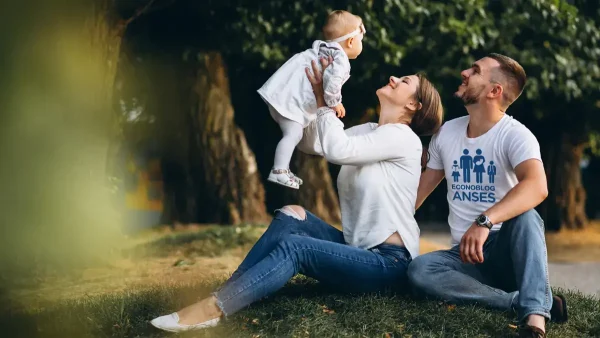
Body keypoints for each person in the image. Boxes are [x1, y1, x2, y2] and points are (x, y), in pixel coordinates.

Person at [149, 57, 444, 333]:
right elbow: (311, 143)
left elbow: (337, 149)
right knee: (292, 214)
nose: (393, 78)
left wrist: (327, 102)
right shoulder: (369, 130)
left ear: (414, 105)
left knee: (296, 247)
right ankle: (230, 292)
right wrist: (310, 99)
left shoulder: (402, 138)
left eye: (404, 81)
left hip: (387, 263)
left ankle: (212, 309)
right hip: (358, 248)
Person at [406, 53, 568, 338]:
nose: (464, 72)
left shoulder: (516, 135)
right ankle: (517, 301)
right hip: (465, 259)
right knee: (420, 270)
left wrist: (485, 222)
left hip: (508, 253)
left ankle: (534, 323)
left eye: (476, 70)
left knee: (527, 217)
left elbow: (537, 186)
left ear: (495, 91)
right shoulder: (446, 133)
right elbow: (416, 195)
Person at [257, 10, 366, 189]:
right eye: (361, 40)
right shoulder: (340, 59)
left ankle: (283, 168)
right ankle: (279, 170)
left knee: (293, 135)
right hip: (291, 104)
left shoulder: (323, 48)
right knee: (293, 134)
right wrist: (334, 102)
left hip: (282, 97)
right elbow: (332, 82)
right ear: (351, 41)